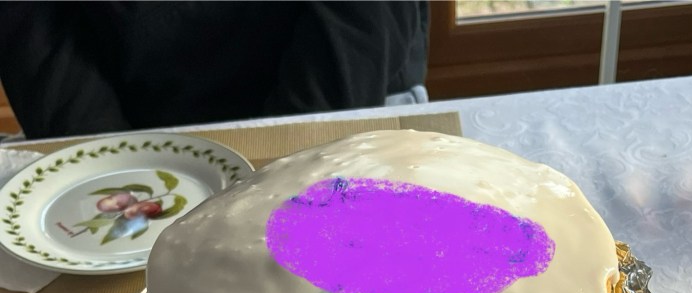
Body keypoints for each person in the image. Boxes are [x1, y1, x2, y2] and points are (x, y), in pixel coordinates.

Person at [0, 1, 429, 140]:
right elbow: (35, 24)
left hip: (341, 90)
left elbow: (360, 22)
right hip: (122, 109)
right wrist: (108, 156)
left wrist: (290, 148)